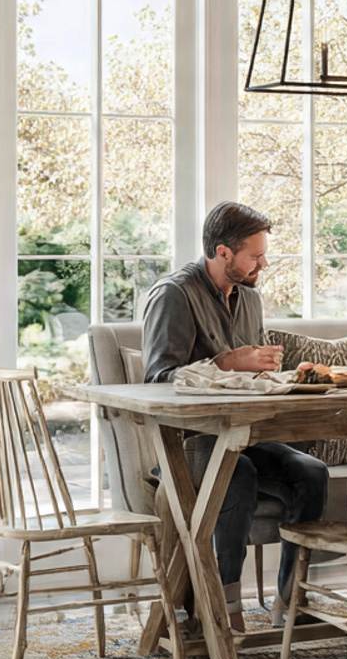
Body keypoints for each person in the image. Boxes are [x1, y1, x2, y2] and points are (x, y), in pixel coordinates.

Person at [141, 201, 329, 631]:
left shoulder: (249, 298)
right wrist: (228, 362)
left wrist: (275, 374)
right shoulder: (174, 294)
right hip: (187, 444)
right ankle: (223, 608)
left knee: (311, 472)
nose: (264, 263)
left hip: (245, 435)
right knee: (236, 471)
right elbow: (157, 381)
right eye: (255, 255)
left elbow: (251, 376)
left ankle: (291, 598)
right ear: (223, 252)